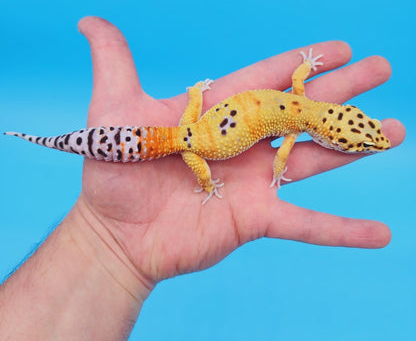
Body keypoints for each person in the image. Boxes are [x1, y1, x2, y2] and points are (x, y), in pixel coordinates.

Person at [0, 17, 405, 340]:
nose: (361, 144)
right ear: (329, 133)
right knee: (197, 160)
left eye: (360, 138)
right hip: (197, 147)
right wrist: (251, 178)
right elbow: (282, 156)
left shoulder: (303, 98)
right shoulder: (296, 125)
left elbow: (299, 78)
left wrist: (201, 93)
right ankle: (204, 183)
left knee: (185, 137)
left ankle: (47, 136)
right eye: (357, 141)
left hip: (194, 125)